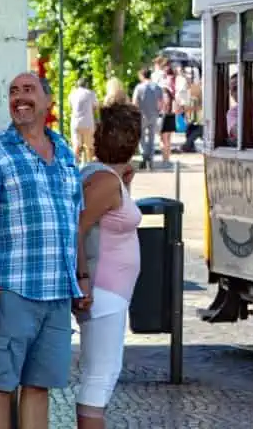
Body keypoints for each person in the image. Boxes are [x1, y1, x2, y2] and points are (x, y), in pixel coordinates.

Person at [0, 73, 89, 429]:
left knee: (39, 386)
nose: (20, 97)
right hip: (12, 291)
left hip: (58, 294)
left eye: (28, 90)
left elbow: (73, 219)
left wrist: (82, 276)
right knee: (0, 384)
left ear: (47, 102)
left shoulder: (64, 149)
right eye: (13, 92)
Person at [75, 103, 143, 428]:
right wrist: (82, 277)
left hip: (108, 289)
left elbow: (111, 220)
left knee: (101, 374)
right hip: (103, 288)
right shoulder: (103, 181)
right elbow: (77, 228)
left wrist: (125, 183)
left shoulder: (104, 176)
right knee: (99, 377)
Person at [131, 69, 162, 169]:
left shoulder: (139, 87)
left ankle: (144, 155)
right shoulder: (157, 87)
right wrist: (157, 111)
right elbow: (160, 103)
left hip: (142, 115)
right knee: (152, 138)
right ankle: (151, 159)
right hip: (153, 115)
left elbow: (134, 102)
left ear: (142, 76)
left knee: (142, 137)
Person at [68, 77, 99, 165]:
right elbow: (95, 106)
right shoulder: (90, 93)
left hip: (75, 123)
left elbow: (71, 107)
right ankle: (89, 166)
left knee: (76, 146)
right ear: (86, 85)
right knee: (89, 146)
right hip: (88, 123)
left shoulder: (72, 94)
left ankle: (74, 166)